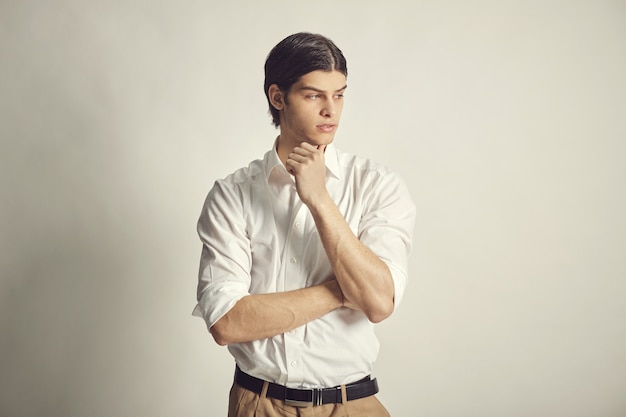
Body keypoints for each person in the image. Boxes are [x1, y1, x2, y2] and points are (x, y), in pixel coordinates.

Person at [193, 32, 416, 417]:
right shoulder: (232, 195)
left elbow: (378, 304)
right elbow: (227, 322)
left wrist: (319, 199)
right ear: (278, 98)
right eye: (314, 95)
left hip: (351, 405)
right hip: (257, 405)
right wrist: (343, 290)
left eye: (340, 94)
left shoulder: (379, 186)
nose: (331, 110)